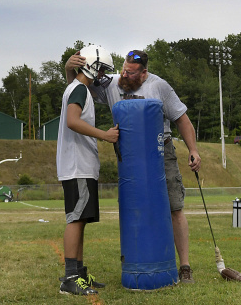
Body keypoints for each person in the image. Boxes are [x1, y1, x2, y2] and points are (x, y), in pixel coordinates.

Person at [66, 48, 201, 284]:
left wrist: (193, 150)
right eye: (123, 71)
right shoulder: (112, 84)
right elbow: (78, 90)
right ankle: (136, 258)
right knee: (133, 207)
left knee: (174, 207)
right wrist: (69, 69)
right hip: (128, 154)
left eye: (130, 74)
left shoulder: (160, 87)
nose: (124, 77)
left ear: (144, 73)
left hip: (161, 150)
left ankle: (185, 266)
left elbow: (182, 119)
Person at [57, 44, 120, 296]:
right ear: (92, 67)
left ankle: (79, 274)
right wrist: (104, 135)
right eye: (103, 69)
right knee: (76, 218)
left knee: (81, 219)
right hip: (77, 165)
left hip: (79, 165)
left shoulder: (77, 87)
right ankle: (70, 278)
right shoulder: (80, 89)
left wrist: (67, 70)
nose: (104, 76)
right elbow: (73, 121)